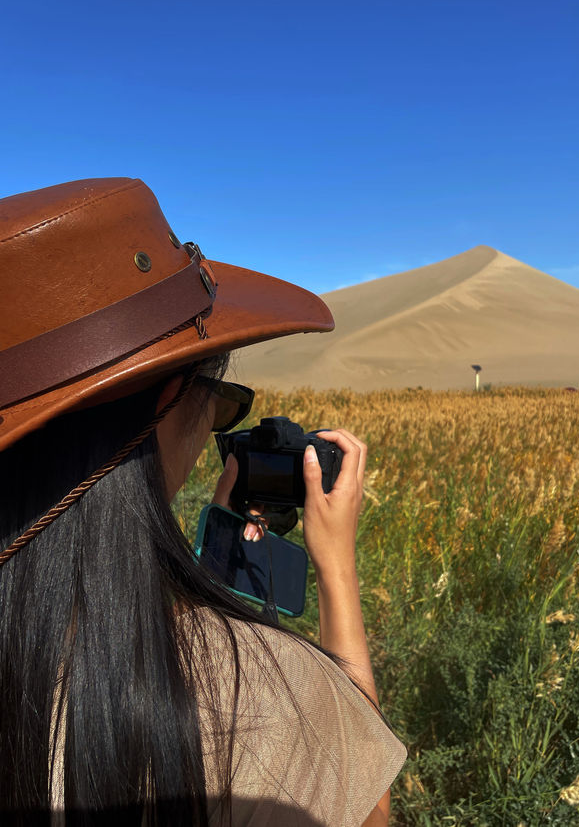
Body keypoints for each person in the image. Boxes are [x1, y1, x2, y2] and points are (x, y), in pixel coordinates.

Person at [0, 178, 406, 826]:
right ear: (167, 402)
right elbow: (368, 799)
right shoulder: (264, 696)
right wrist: (337, 569)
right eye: (218, 395)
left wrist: (208, 555)